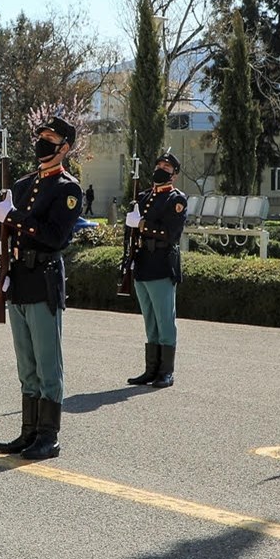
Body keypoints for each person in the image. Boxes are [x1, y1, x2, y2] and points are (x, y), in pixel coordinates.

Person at [0, 116, 83, 460]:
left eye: (50, 137)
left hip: (44, 277)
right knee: (26, 364)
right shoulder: (23, 183)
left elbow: (55, 237)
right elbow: (8, 235)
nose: (42, 141)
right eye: (41, 135)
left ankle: (49, 436)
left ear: (64, 147)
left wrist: (13, 217)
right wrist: (3, 273)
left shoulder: (68, 189)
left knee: (48, 364)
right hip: (20, 279)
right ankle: (28, 432)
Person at [124, 152, 189, 388]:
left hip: (162, 263)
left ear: (174, 174)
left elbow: (170, 233)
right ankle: (151, 370)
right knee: (150, 320)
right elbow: (131, 233)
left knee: (164, 320)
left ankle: (166, 372)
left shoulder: (176, 200)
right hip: (142, 263)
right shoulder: (143, 197)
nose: (161, 168)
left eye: (167, 166)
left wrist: (142, 224)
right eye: (159, 164)